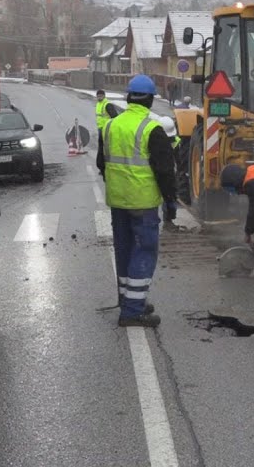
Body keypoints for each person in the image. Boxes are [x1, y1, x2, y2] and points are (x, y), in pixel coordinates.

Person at [97, 75, 177, 328]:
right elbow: (165, 171)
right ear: (151, 100)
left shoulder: (110, 126)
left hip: (117, 201)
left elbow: (101, 163)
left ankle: (129, 299)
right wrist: (170, 202)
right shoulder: (152, 129)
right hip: (142, 204)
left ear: (128, 96)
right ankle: (132, 311)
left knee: (124, 249)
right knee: (144, 251)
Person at [95, 89, 111, 155]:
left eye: (101, 96)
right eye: (98, 96)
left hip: (106, 127)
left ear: (104, 96)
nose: (99, 97)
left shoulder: (107, 104)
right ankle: (102, 154)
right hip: (100, 127)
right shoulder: (98, 104)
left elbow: (115, 116)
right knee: (101, 143)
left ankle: (106, 154)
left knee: (106, 143)